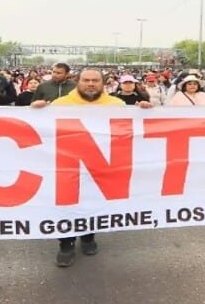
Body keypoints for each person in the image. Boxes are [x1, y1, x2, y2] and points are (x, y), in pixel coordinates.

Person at [30, 70, 151, 268]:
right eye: (86, 80)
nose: (91, 84)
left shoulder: (117, 105)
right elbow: (38, 131)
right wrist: (35, 111)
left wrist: (144, 111)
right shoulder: (60, 105)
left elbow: (132, 130)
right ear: (77, 82)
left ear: (103, 83)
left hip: (100, 166)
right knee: (66, 206)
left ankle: (88, 236)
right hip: (67, 166)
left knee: (93, 202)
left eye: (95, 80)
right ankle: (66, 243)